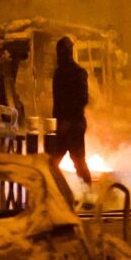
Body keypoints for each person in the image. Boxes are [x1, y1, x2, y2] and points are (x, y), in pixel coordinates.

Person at [50, 36, 92, 185]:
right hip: (63, 124)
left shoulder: (77, 72)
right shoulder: (59, 73)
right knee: (52, 164)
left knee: (77, 162)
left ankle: (88, 196)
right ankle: (60, 195)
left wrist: (68, 121)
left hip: (73, 125)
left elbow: (82, 99)